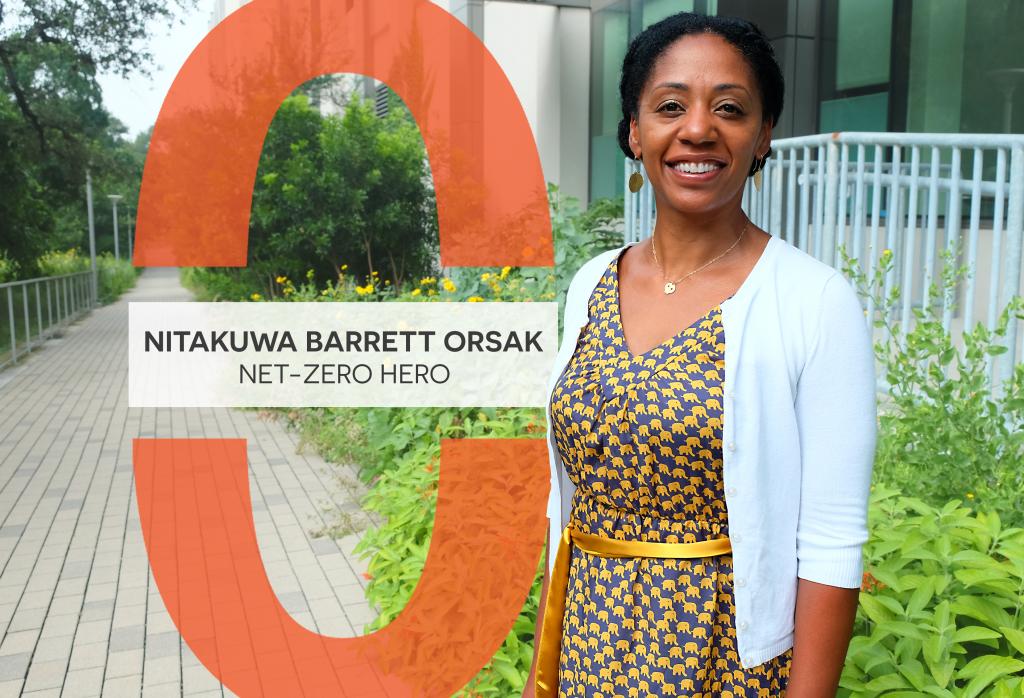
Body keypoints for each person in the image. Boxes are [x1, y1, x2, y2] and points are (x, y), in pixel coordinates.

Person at [524, 11, 878, 698]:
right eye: (670, 106)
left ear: (763, 136)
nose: (698, 130)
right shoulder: (590, 283)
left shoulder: (813, 301)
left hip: (722, 659)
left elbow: (831, 547)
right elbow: (563, 507)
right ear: (634, 131)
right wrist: (545, 669)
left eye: (729, 109)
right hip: (587, 648)